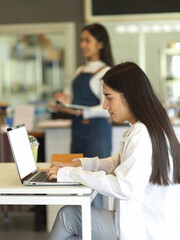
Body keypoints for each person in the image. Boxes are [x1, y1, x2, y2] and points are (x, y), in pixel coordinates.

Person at [47, 62, 180, 240]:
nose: (104, 105)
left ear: (130, 96)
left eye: (109, 98)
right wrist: (77, 164)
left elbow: (124, 187)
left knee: (68, 216)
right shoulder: (147, 127)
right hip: (148, 224)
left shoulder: (142, 133)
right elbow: (115, 163)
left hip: (143, 230)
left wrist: (72, 174)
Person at [50, 23, 114, 208]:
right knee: (75, 177)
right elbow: (77, 100)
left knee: (96, 182)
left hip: (97, 132)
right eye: (81, 40)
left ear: (100, 44)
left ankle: (97, 230)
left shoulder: (106, 71)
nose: (83, 45)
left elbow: (106, 107)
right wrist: (66, 100)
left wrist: (79, 111)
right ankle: (80, 227)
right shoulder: (79, 70)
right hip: (77, 130)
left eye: (88, 40)